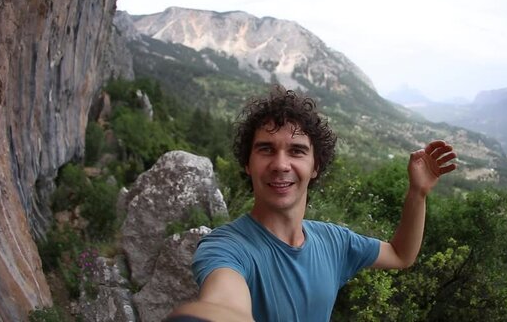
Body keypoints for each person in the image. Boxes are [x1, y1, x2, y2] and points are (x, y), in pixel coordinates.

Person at [166, 86, 457, 322]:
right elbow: (224, 303)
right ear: (247, 163)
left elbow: (400, 255)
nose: (281, 164)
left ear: (315, 166)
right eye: (266, 149)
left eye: (297, 151)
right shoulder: (226, 247)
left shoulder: (334, 242)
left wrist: (417, 193)